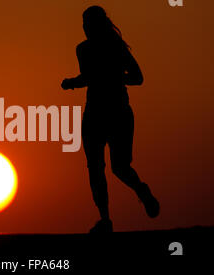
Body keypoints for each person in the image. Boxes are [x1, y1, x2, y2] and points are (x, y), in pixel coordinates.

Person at [61, 6, 159, 233]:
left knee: (112, 168)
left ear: (96, 25)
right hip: (106, 113)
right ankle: (107, 218)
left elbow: (137, 77)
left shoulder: (101, 48)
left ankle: (134, 196)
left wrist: (73, 82)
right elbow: (97, 77)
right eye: (83, 25)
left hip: (109, 113)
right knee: (103, 167)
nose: (85, 29)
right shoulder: (91, 48)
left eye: (87, 24)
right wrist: (107, 78)